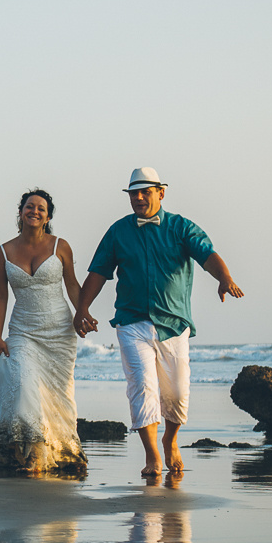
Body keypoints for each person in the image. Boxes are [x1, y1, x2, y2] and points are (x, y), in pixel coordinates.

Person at [73, 167, 244, 481]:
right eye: (134, 194)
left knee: (177, 392)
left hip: (173, 324)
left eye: (145, 192)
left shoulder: (181, 227)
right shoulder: (118, 232)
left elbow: (207, 254)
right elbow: (98, 272)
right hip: (131, 321)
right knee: (142, 386)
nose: (139, 198)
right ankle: (152, 453)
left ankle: (170, 439)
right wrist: (82, 308)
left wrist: (225, 278)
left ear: (161, 193)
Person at [0, 188, 86, 476]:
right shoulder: (3, 251)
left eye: (41, 209)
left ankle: (61, 451)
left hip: (59, 334)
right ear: (21, 212)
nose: (34, 211)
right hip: (23, 331)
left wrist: (82, 312)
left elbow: (73, 285)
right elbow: (0, 295)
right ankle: (27, 455)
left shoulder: (61, 246)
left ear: (48, 217)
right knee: (24, 387)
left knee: (59, 396)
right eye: (29, 206)